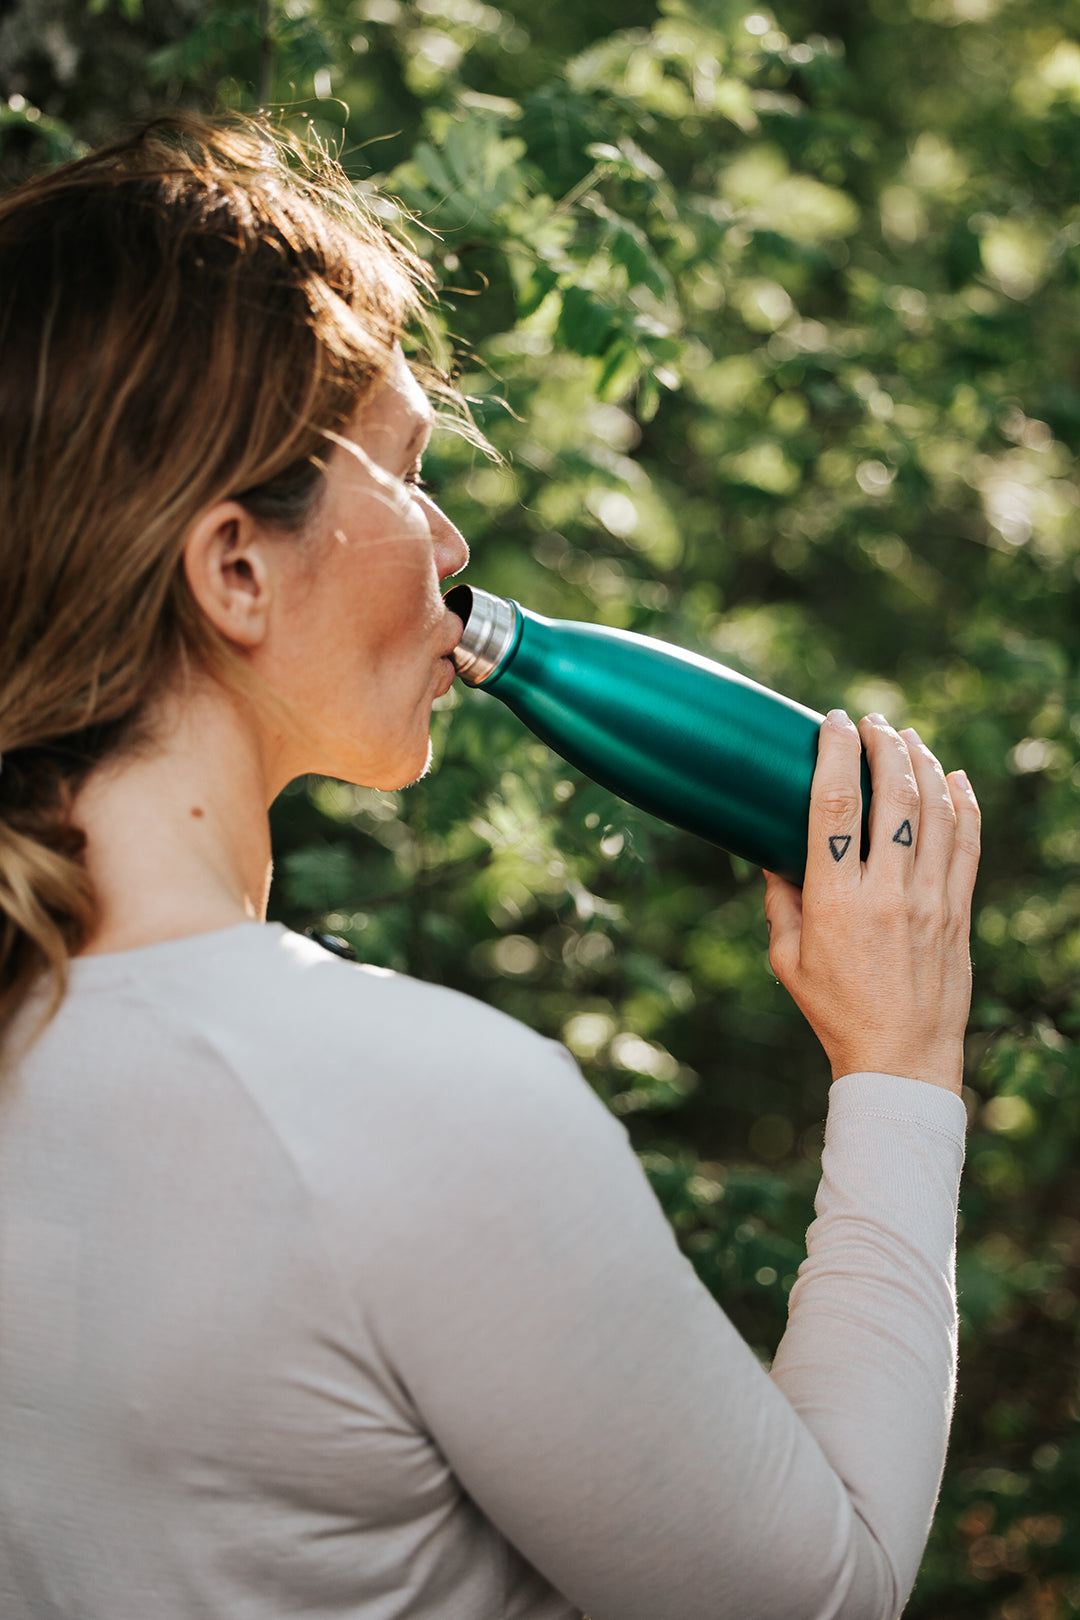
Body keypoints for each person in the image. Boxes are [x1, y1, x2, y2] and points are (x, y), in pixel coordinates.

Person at [0, 115, 980, 1620]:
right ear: (235, 569)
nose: (451, 534)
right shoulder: (413, 1107)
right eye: (402, 468)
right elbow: (819, 1602)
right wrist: (901, 1065)